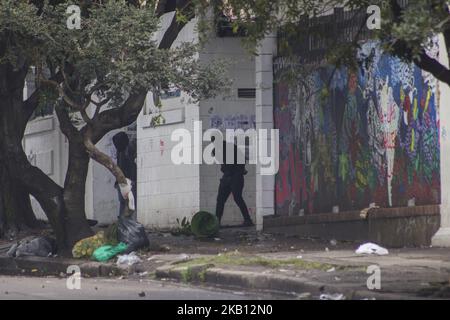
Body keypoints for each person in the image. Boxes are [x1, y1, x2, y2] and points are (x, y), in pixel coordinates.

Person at [214, 139, 254, 227]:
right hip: (229, 176)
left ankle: (247, 220)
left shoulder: (229, 149)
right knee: (221, 199)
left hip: (235, 176)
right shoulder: (221, 149)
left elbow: (240, 161)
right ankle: (217, 222)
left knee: (236, 197)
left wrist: (238, 171)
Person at [112, 132, 137, 219]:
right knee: (124, 202)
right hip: (122, 181)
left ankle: (125, 221)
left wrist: (132, 180)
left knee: (127, 203)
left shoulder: (128, 151)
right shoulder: (121, 151)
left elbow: (130, 167)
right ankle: (123, 221)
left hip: (127, 181)